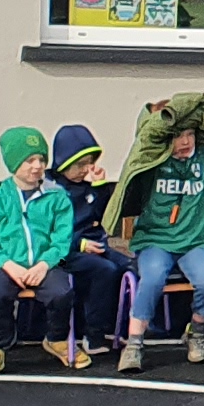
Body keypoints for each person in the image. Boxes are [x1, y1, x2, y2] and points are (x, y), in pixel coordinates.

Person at [114, 101, 204, 368]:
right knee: (152, 279)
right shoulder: (151, 160)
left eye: (190, 134)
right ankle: (134, 344)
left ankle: (197, 333)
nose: (185, 142)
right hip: (156, 240)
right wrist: (161, 123)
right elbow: (144, 136)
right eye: (178, 135)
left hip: (192, 241)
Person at [0, 128, 80, 372]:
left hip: (45, 263)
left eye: (41, 159)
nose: (37, 166)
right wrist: (8, 265)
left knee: (61, 293)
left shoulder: (57, 196)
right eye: (29, 160)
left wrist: (44, 264)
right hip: (7, 264)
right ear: (13, 163)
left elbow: (62, 239)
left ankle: (56, 339)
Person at [50, 124, 129, 345]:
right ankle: (94, 334)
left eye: (89, 163)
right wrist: (79, 244)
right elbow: (46, 231)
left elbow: (103, 219)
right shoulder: (51, 189)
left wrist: (100, 187)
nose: (85, 169)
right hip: (61, 254)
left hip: (94, 243)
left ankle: (120, 328)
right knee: (104, 270)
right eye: (79, 164)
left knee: (128, 265)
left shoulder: (88, 188)